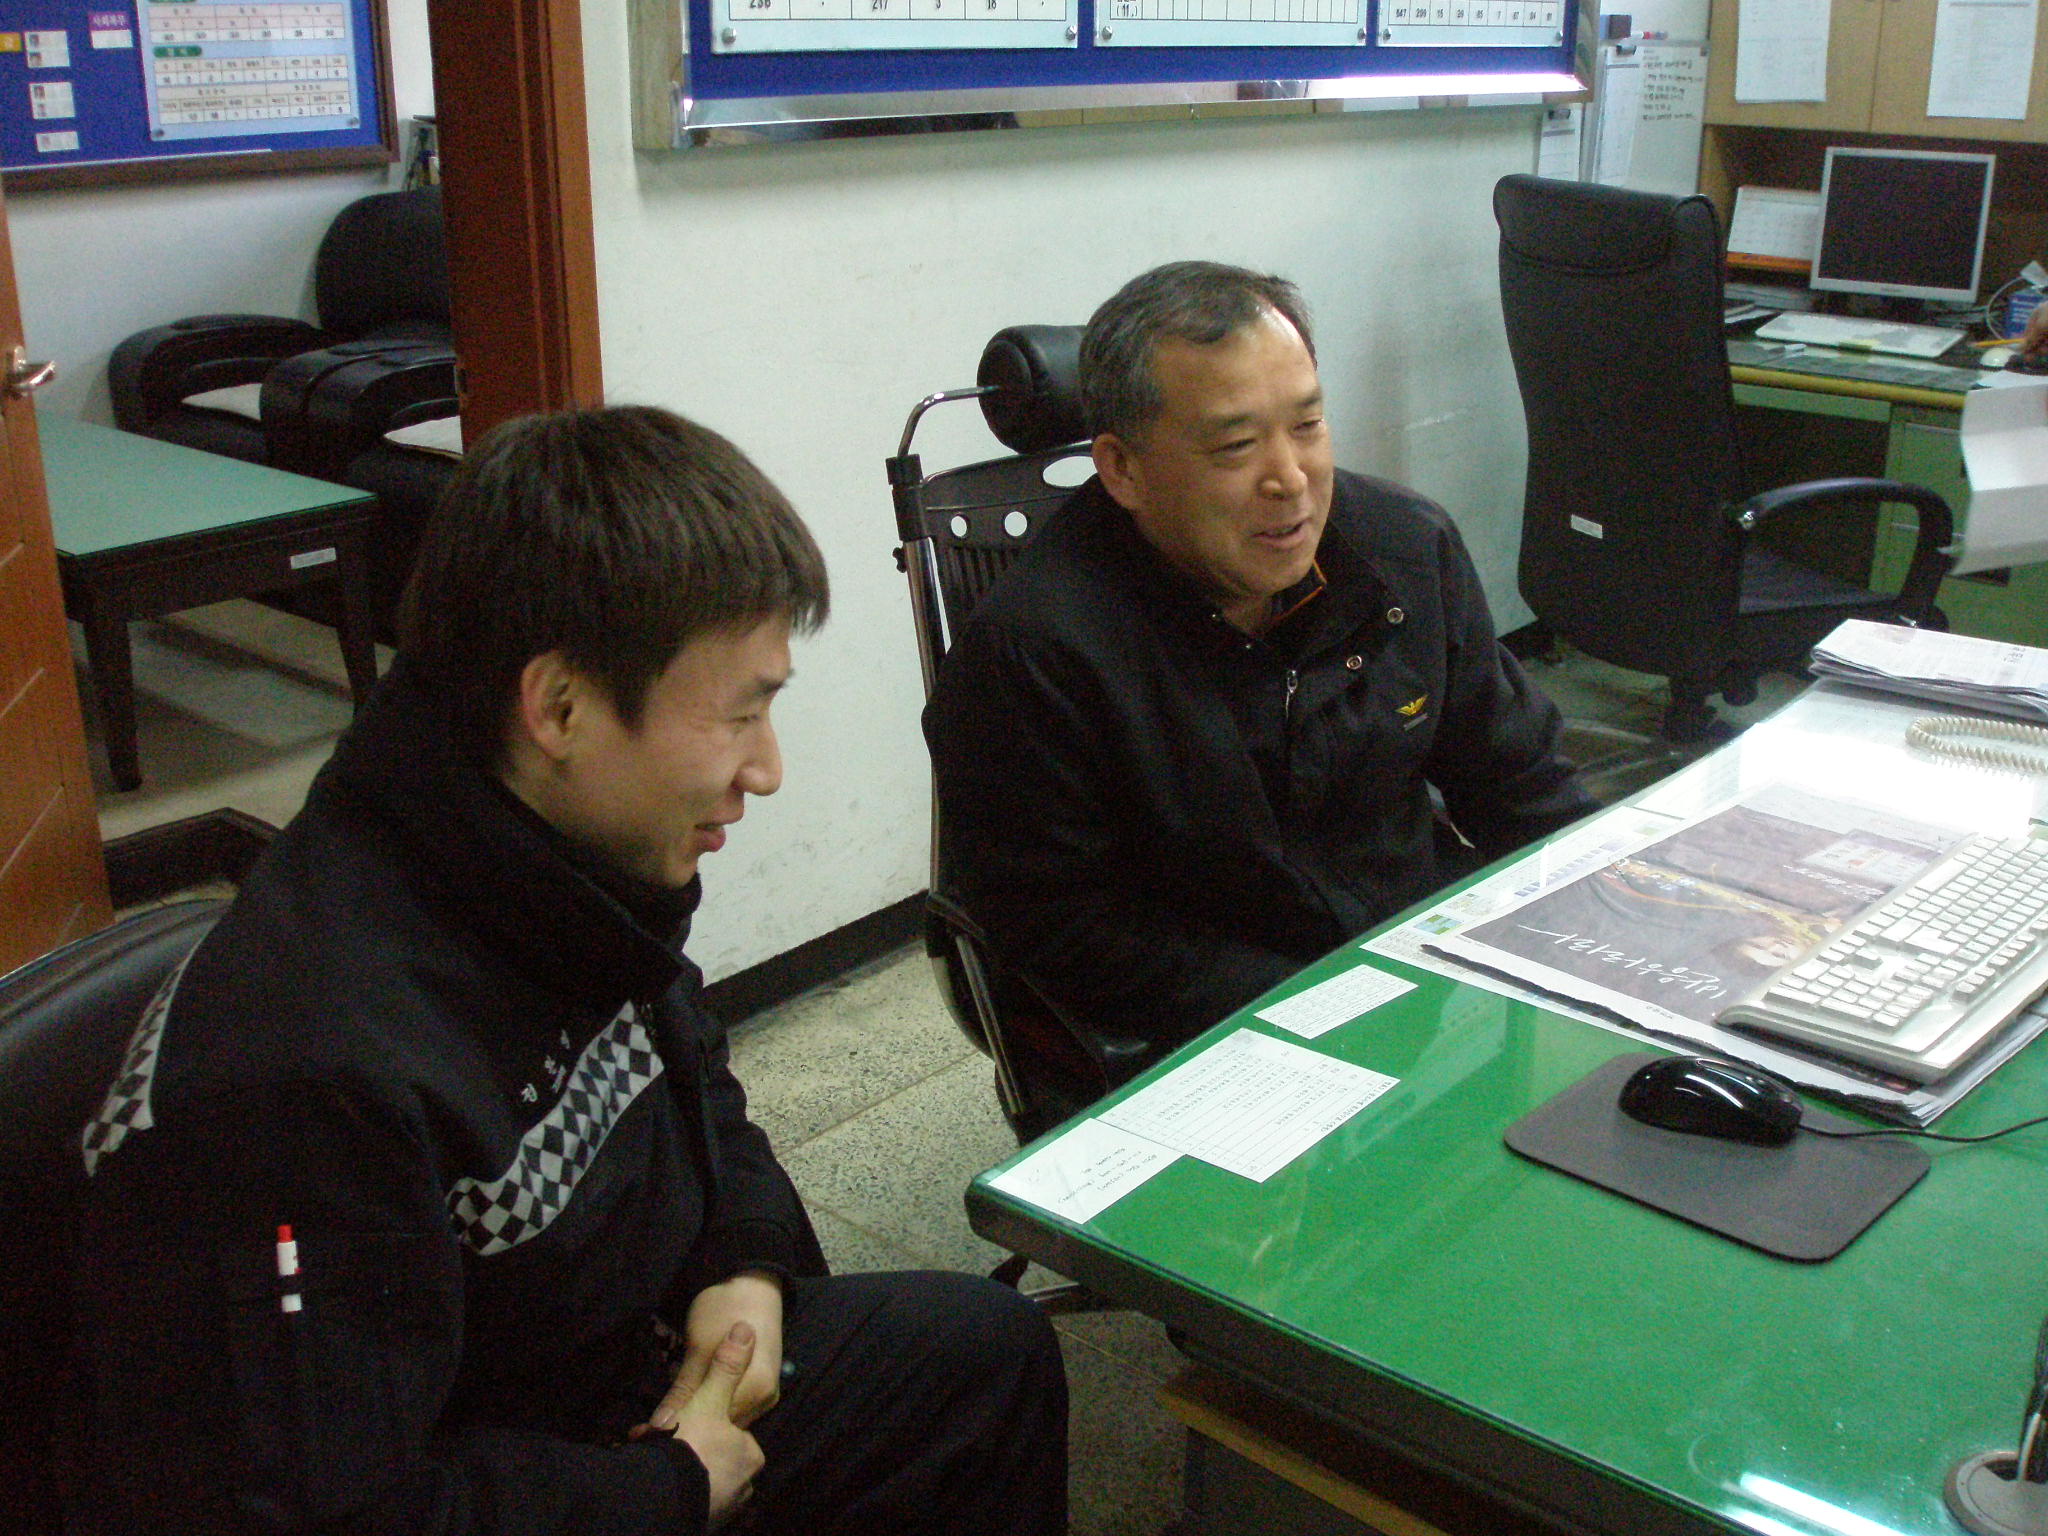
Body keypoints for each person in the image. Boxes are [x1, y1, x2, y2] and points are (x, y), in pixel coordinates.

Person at [69, 406, 1068, 1536]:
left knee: (985, 1355)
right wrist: (670, 1489)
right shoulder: (303, 1078)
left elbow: (698, 1086)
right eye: (740, 714)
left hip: (620, 1386)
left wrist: (742, 1270)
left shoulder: (559, 863)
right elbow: (336, 1510)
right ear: (559, 708)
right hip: (533, 1470)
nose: (767, 769)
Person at [923, 261, 1596, 1057]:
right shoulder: (1034, 653)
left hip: (1415, 967)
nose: (1291, 479)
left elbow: (1518, 777)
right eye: (1237, 446)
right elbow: (1061, 926)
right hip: (1213, 1018)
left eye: (1308, 426)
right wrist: (1328, 1008)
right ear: (1122, 469)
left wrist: (1607, 917)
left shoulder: (1406, 549)